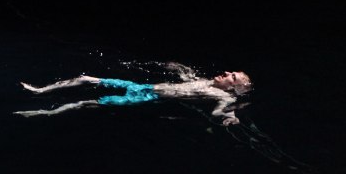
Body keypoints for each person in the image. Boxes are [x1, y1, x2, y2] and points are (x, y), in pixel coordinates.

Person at [15, 62, 252, 125]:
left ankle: (41, 113)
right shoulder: (207, 80)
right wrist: (180, 69)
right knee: (85, 77)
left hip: (145, 97)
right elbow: (188, 79)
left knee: (84, 103)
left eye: (232, 76)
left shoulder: (226, 96)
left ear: (233, 87)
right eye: (231, 71)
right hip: (141, 86)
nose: (227, 72)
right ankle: (41, 89)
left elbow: (219, 110)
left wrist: (229, 116)